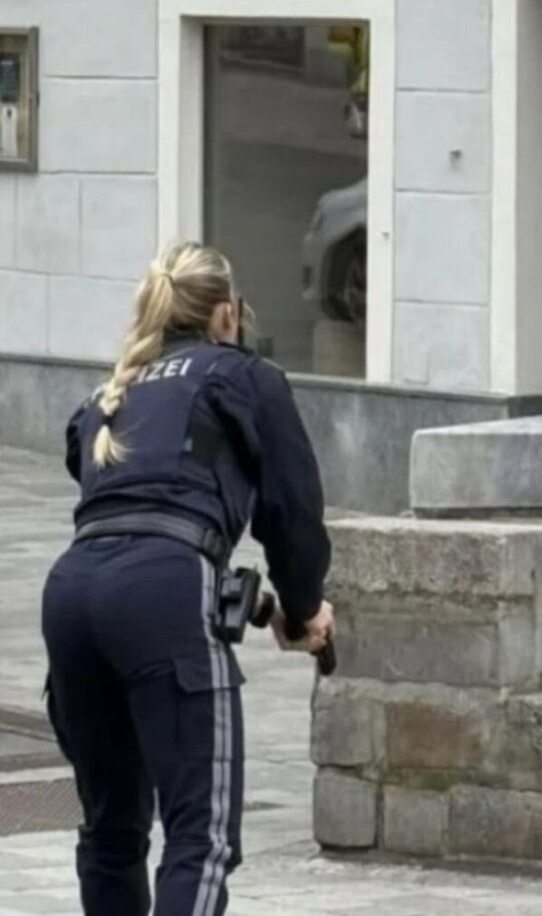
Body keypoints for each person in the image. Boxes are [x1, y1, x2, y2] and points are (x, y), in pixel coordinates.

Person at [41, 241, 335, 916]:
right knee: (200, 838)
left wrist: (260, 601)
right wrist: (304, 608)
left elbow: (130, 509)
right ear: (227, 313)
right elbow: (291, 512)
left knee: (111, 831)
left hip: (72, 596)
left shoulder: (105, 399)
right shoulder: (246, 377)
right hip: (165, 596)